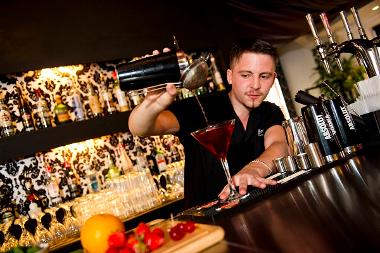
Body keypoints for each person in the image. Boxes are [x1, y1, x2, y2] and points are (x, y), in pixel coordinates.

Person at [128, 39, 289, 207]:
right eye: (246, 75)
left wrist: (254, 169)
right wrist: (152, 103)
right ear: (230, 76)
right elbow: (139, 128)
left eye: (264, 76)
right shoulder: (199, 107)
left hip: (259, 208)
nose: (255, 85)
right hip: (208, 219)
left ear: (273, 79)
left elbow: (279, 145)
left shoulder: (270, 111)